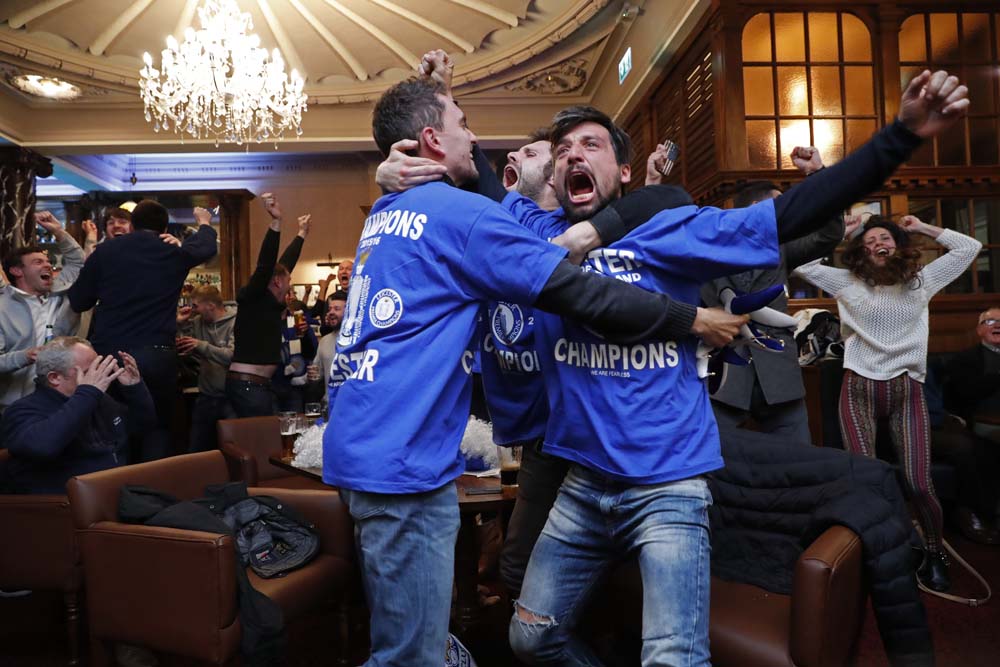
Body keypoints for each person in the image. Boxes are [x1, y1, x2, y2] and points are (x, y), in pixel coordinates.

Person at [505, 69, 969, 664]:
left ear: (623, 173)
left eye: (590, 145)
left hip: (668, 486)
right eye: (564, 149)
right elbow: (474, 188)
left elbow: (792, 214)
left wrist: (900, 135)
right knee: (531, 635)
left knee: (673, 658)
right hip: (583, 484)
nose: (574, 154)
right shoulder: (542, 235)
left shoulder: (669, 232)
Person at [325, 75, 750, 667]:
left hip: (377, 447)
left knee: (416, 637)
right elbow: (582, 296)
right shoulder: (472, 216)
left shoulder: (391, 207)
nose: (475, 139)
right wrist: (692, 319)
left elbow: (667, 201)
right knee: (411, 652)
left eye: (585, 147)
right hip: (410, 461)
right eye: (463, 125)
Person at [795, 213, 982, 591]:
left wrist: (924, 228)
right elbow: (800, 262)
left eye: (884, 238)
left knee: (919, 483)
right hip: (858, 390)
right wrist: (841, 231)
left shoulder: (921, 282)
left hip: (905, 391)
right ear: (860, 253)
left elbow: (970, 247)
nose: (876, 244)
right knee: (865, 482)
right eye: (867, 242)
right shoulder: (846, 282)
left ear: (896, 244)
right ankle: (880, 555)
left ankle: (933, 552)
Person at [701, 152, 845, 444]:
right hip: (725, 374)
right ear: (758, 208)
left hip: (779, 376)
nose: (788, 212)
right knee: (718, 463)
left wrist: (818, 175)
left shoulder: (782, 245)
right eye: (781, 204)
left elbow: (829, 234)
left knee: (797, 460)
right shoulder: (706, 243)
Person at [67, 201, 217, 462]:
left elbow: (79, 301)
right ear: (165, 228)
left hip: (110, 353)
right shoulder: (171, 251)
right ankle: (150, 493)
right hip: (157, 352)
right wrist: (204, 222)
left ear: (132, 225)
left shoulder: (106, 252)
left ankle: (111, 490)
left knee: (111, 423)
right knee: (157, 427)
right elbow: (205, 247)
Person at [0, 337, 153, 494]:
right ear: (55, 378)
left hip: (115, 493)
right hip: (59, 507)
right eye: (88, 372)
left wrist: (134, 388)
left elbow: (141, 427)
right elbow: (43, 447)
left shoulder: (99, 400)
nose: (99, 377)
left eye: (98, 368)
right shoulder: (22, 410)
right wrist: (87, 394)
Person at [226, 193, 311, 417]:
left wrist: (302, 234)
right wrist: (276, 222)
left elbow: (285, 264)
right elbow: (266, 264)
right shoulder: (255, 296)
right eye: (288, 281)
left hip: (257, 385)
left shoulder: (269, 301)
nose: (290, 285)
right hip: (248, 386)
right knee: (262, 445)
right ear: (276, 282)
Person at [0, 211, 85, 413]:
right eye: (38, 262)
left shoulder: (60, 294)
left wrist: (58, 231)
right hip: (12, 406)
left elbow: (78, 262)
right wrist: (26, 356)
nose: (48, 265)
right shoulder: (2, 307)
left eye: (48, 262)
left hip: (59, 402)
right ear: (17, 271)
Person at [176, 285, 237, 452]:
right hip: (206, 396)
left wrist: (201, 346)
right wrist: (180, 325)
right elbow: (186, 347)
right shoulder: (197, 323)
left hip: (230, 397)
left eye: (195, 305)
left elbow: (232, 356)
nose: (192, 310)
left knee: (231, 450)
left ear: (210, 305)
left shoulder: (235, 322)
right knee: (197, 449)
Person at [306, 291, 347, 408]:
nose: (331, 313)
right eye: (330, 309)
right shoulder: (324, 341)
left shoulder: (360, 341)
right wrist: (305, 377)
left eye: (337, 309)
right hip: (329, 406)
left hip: (353, 406)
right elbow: (317, 373)